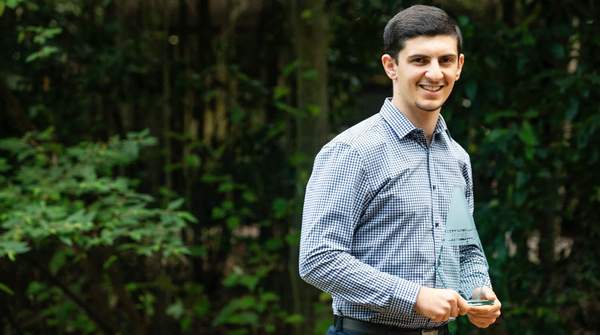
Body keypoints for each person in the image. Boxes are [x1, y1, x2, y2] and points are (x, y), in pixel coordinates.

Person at [299, 5, 502, 335]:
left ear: (459, 66)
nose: (435, 73)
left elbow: (465, 250)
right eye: (420, 60)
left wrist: (478, 291)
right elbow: (319, 259)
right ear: (391, 66)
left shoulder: (457, 159)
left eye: (445, 60)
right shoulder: (353, 151)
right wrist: (415, 297)